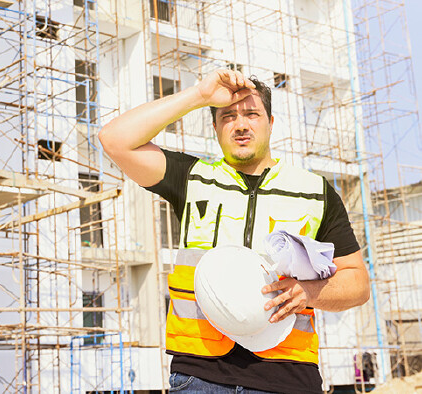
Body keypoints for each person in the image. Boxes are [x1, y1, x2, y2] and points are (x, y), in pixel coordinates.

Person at [98, 69, 370, 394]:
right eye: (228, 116)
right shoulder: (193, 178)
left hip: (288, 375)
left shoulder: (315, 192)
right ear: (215, 128)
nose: (241, 125)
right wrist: (199, 95)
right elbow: (114, 140)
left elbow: (358, 283)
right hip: (199, 375)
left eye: (252, 114)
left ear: (271, 123)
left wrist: (309, 292)